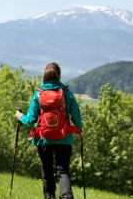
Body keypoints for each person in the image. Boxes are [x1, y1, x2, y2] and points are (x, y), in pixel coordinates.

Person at [15, 62, 82, 199]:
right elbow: (76, 117)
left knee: (47, 172)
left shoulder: (38, 94)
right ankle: (66, 197)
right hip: (64, 139)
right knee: (63, 171)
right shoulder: (67, 94)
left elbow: (31, 119)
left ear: (44, 77)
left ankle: (49, 197)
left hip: (44, 140)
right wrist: (79, 129)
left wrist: (20, 117)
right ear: (59, 76)